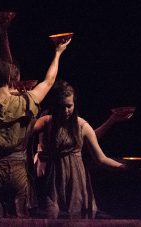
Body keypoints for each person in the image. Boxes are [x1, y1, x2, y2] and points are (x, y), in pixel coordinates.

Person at [0, 38, 71, 217]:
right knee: (20, 217)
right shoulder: (24, 101)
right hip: (18, 170)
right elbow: (48, 81)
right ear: (10, 79)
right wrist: (58, 53)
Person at [33, 80, 126, 219]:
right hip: (53, 178)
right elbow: (22, 131)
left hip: (75, 179)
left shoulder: (82, 125)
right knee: (50, 214)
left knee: (75, 215)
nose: (66, 110)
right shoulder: (47, 121)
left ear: (74, 104)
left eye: (69, 106)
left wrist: (123, 166)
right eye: (62, 106)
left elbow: (101, 158)